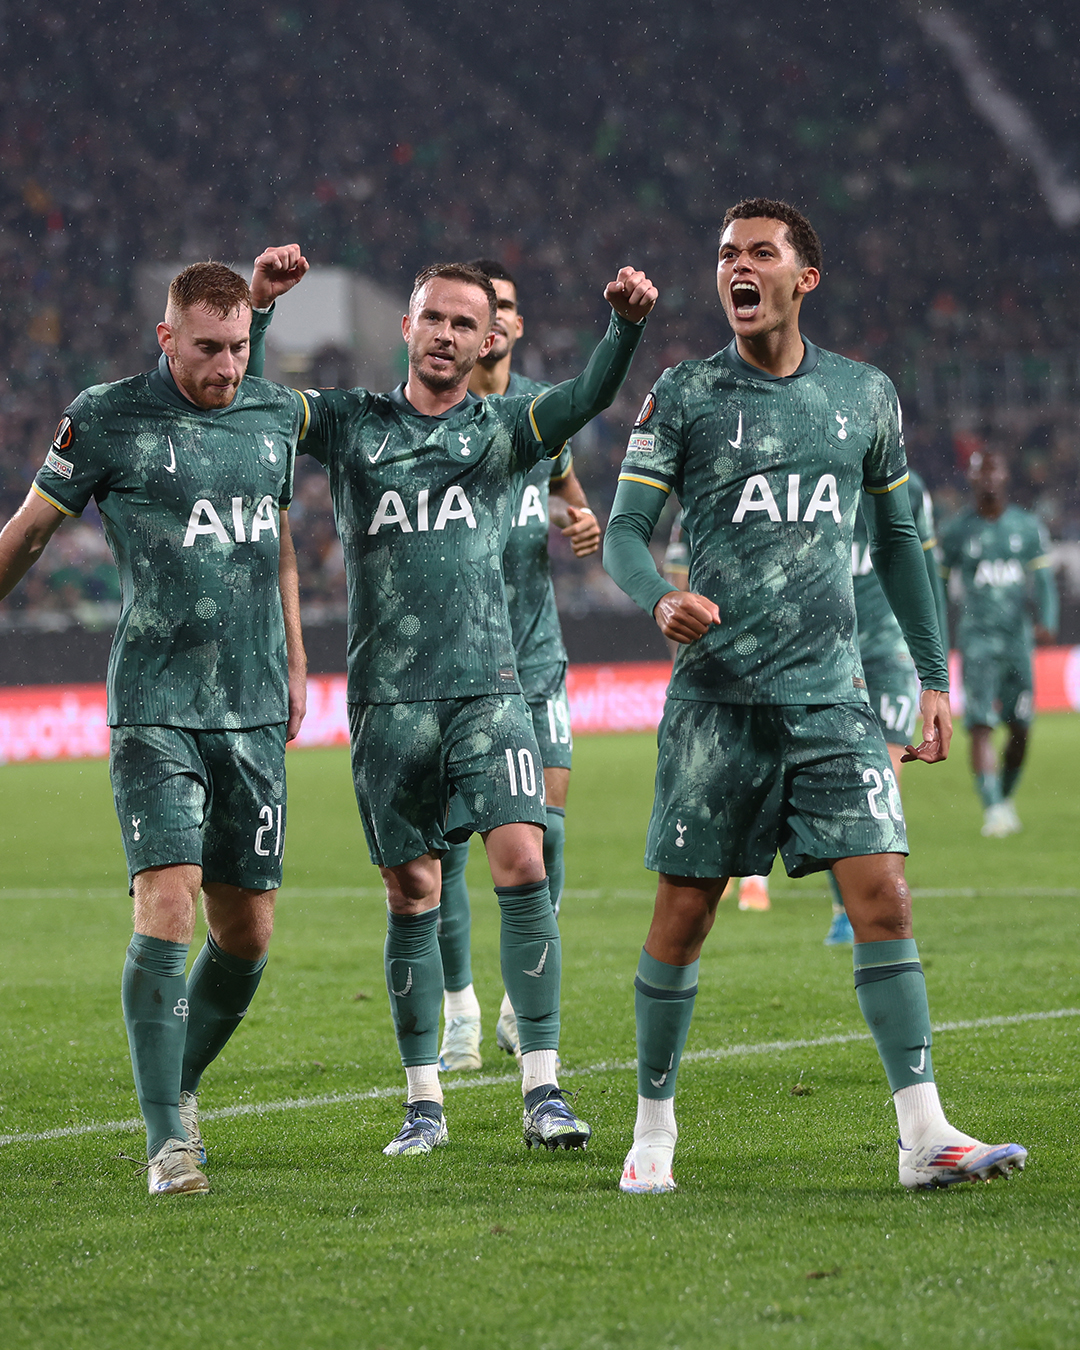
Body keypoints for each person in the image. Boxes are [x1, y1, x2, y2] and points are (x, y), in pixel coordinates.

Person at [603, 197, 1027, 1194]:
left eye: (758, 253)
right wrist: (658, 596)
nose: (735, 268)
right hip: (718, 705)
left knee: (883, 898)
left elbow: (899, 545)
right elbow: (625, 530)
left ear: (805, 279)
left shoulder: (865, 396)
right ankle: (653, 1129)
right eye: (724, 254)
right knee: (685, 917)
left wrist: (930, 675)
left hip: (832, 702)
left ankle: (924, 1135)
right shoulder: (689, 392)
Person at [253, 260, 656, 1156]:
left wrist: (623, 327)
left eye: (461, 323)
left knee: (522, 859)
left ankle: (543, 1086)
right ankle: (423, 1099)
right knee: (413, 892)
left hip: (489, 688)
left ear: (487, 342)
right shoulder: (354, 423)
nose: (444, 333)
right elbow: (254, 398)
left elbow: (588, 396)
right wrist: (262, 307)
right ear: (406, 328)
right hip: (389, 701)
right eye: (430, 317)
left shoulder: (508, 429)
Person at [0, 249, 310, 1195]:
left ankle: (171, 1080)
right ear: (166, 338)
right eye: (207, 349)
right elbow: (28, 532)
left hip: (253, 708)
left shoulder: (271, 416)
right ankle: (169, 1139)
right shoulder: (106, 418)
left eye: (240, 348)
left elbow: (280, 539)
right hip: (155, 705)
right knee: (166, 901)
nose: (226, 368)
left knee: (248, 931)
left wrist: (297, 657)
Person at [434, 259, 601, 1074]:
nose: (490, 321)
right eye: (477, 309)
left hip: (536, 654)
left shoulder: (542, 414)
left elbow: (567, 483)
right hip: (457, 660)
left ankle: (514, 1000)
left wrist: (580, 514)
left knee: (551, 826)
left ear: (515, 325)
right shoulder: (439, 415)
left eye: (502, 307)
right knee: (452, 844)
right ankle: (458, 1005)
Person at [823, 469, 948, 944]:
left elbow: (927, 579)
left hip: (889, 650)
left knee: (881, 774)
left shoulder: (910, 491)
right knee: (841, 779)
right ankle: (844, 903)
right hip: (830, 650)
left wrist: (939, 674)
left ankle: (881, 896)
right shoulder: (817, 471)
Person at [938, 448, 1058, 837]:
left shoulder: (1026, 526)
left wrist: (1048, 621)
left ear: (1005, 477)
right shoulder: (957, 531)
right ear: (971, 480)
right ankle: (992, 808)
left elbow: (1042, 579)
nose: (988, 480)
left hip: (1017, 641)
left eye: (994, 472)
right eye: (980, 474)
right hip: (976, 642)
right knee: (980, 725)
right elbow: (937, 583)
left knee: (1021, 727)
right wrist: (936, 630)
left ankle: (1003, 798)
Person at [663, 510, 772, 913]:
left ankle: (754, 882)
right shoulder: (689, 516)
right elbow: (676, 582)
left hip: (761, 658)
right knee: (712, 772)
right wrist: (684, 665)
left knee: (754, 769)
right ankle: (717, 869)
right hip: (708, 661)